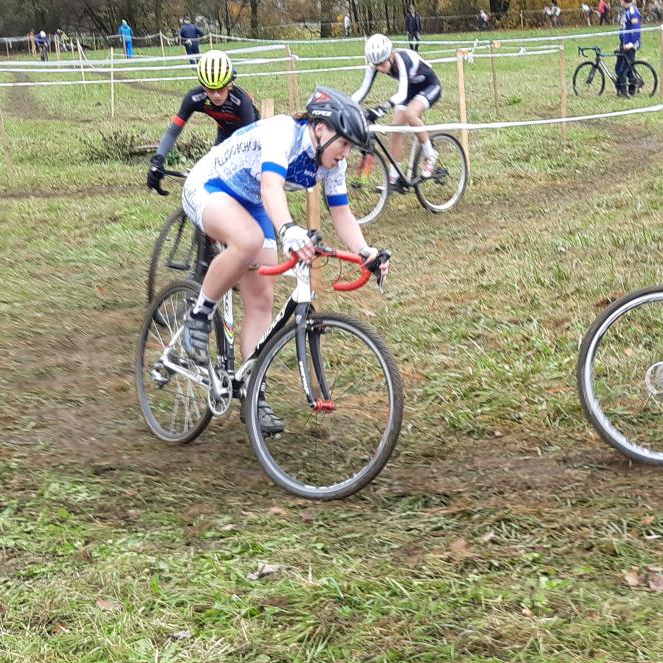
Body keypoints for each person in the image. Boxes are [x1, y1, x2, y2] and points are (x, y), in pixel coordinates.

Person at [177, 87, 388, 433]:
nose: (346, 154)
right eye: (344, 144)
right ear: (321, 129)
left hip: (252, 200)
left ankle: (252, 392)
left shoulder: (332, 159)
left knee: (262, 299)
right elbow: (271, 187)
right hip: (211, 185)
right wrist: (288, 230)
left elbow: (341, 212)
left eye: (351, 147)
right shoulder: (283, 133)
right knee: (247, 240)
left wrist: (365, 251)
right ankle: (199, 314)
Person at [147, 51, 260, 193]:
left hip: (249, 132)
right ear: (203, 86)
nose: (216, 95)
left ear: (229, 84)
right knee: (210, 172)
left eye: (221, 89)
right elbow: (173, 131)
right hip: (224, 131)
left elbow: (247, 142)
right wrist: (158, 160)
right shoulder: (194, 97)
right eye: (211, 90)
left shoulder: (241, 101)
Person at [353, 34, 442, 187]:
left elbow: (401, 94)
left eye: (382, 64)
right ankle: (395, 177)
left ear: (390, 56)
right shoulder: (375, 65)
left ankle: (430, 155)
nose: (379, 68)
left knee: (410, 114)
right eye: (376, 65)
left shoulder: (402, 60)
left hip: (430, 86)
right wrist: (346, 105)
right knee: (395, 130)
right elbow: (362, 90)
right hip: (411, 89)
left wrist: (381, 109)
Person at [616, 0, 642, 97]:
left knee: (624, 69)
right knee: (620, 67)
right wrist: (621, 44)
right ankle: (625, 89)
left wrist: (631, 44)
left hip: (630, 45)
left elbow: (636, 29)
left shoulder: (632, 12)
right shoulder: (625, 11)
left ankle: (626, 92)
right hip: (624, 44)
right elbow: (624, 29)